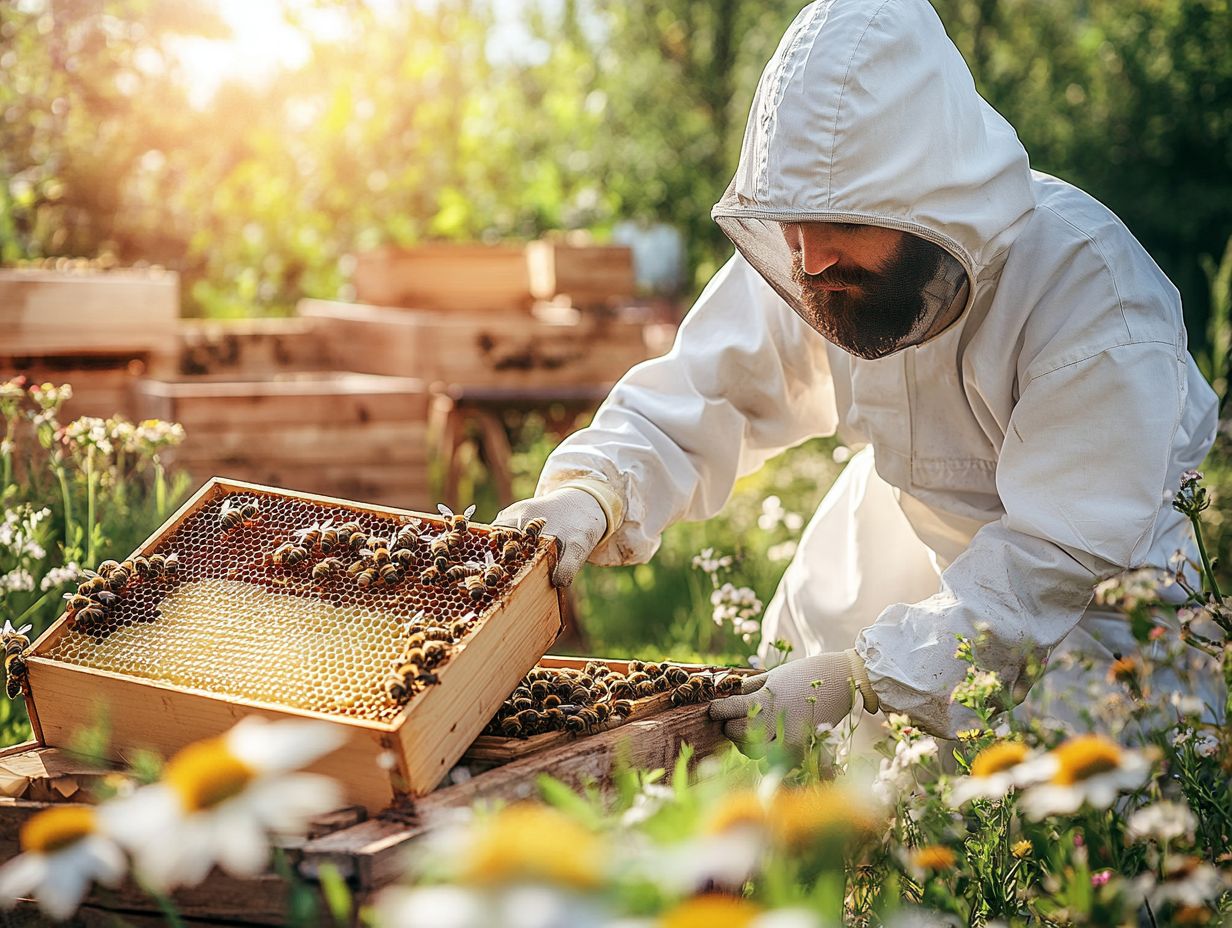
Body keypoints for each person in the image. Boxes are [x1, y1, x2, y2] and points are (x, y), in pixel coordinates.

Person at [495, 0, 1219, 750]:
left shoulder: (1090, 291)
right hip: (908, 532)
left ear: (930, 199)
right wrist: (594, 491)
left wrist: (864, 678)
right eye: (791, 221)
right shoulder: (823, 262)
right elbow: (711, 390)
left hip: (1100, 613)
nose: (808, 258)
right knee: (815, 764)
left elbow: (1054, 556)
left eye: (841, 222)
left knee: (1052, 834)